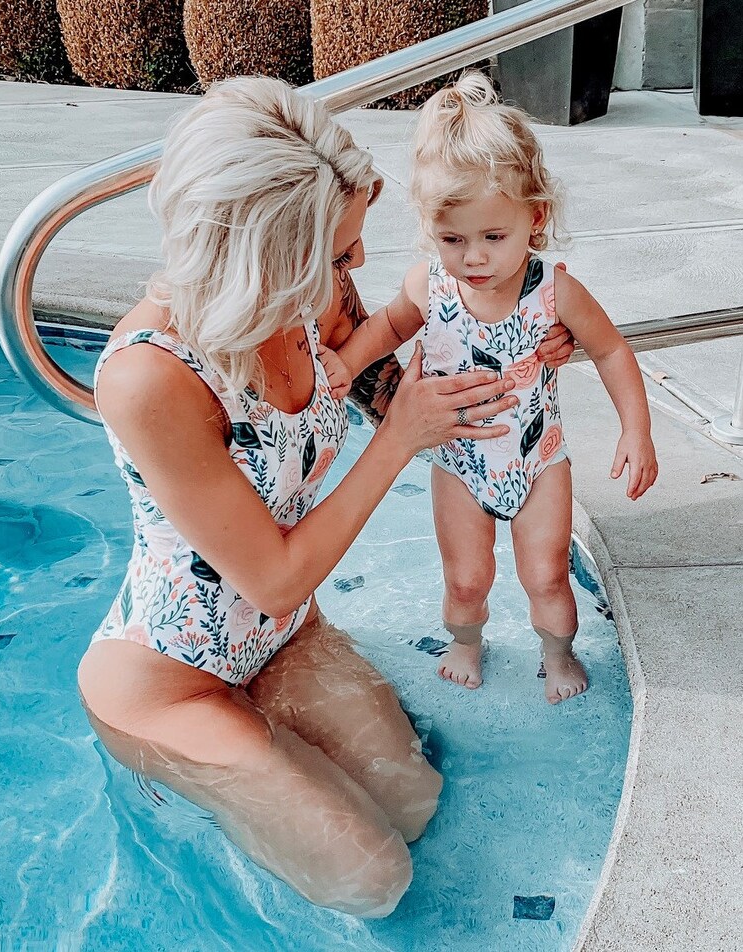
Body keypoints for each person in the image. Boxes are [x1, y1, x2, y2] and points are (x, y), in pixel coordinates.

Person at [77, 75, 576, 918]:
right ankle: (207, 797)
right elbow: (274, 578)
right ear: (262, 256)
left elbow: (403, 394)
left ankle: (273, 776)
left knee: (415, 803)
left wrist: (520, 343)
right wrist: (398, 439)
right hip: (171, 684)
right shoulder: (149, 378)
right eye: (339, 256)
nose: (356, 270)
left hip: (285, 638)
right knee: (372, 881)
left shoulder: (310, 296)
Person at [319, 72, 658, 703]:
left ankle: (557, 653)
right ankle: (466, 643)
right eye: (453, 240)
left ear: (535, 218)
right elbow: (387, 326)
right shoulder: (431, 286)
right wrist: (345, 361)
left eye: (493, 238)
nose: (473, 257)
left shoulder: (555, 292)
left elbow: (611, 348)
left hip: (538, 462)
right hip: (458, 463)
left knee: (546, 575)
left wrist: (635, 430)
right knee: (466, 578)